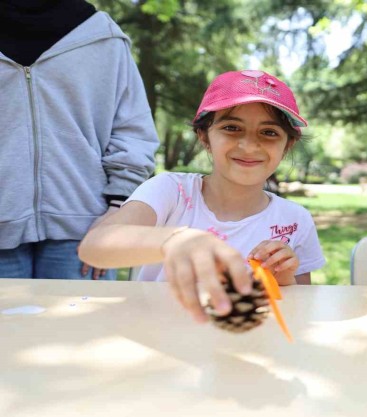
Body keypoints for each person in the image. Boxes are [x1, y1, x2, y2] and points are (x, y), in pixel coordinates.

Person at [79, 70, 325, 323]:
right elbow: (94, 247)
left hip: (248, 346)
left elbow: (301, 310)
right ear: (204, 136)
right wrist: (175, 241)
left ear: (288, 145)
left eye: (269, 132)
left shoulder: (296, 219)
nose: (249, 146)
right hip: (162, 340)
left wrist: (285, 279)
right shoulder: (170, 191)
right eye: (232, 128)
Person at [0, 0, 159, 280]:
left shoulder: (103, 36)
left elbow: (132, 130)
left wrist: (117, 209)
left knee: (82, 326)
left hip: (88, 228)